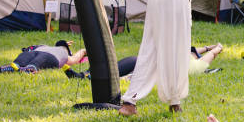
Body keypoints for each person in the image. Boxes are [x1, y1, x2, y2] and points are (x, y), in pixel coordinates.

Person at [64, 44, 223, 79]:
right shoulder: (185, 55)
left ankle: (87, 76)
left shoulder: (194, 65)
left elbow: (208, 58)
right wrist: (208, 47)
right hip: (149, 62)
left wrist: (217, 49)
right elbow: (195, 50)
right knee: (126, 62)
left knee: (129, 64)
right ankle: (85, 74)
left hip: (152, 67)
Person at [0, 41, 86, 73]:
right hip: (37, 51)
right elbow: (29, 49)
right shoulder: (45, 46)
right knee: (25, 55)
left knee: (40, 59)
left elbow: (75, 58)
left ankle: (30, 69)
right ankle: (9, 67)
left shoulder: (65, 54)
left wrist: (84, 51)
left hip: (51, 57)